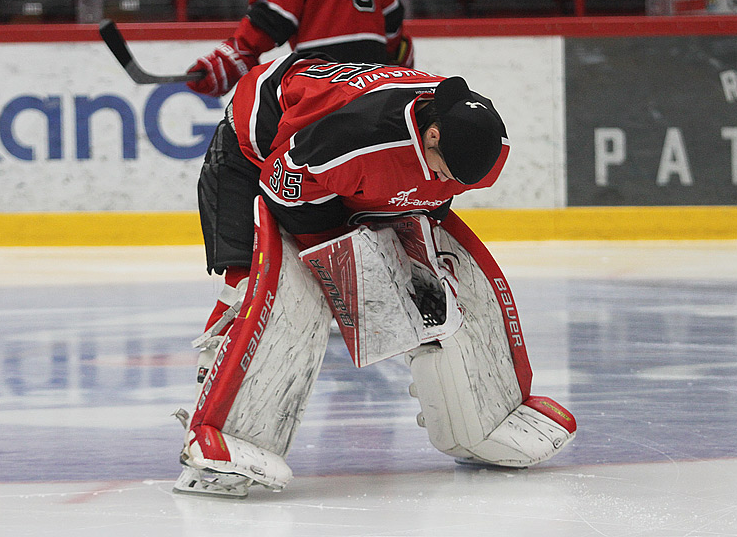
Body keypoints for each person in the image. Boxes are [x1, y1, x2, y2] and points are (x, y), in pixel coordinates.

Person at [173, 53, 577, 498]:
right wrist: (342, 263)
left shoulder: (484, 147)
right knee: (264, 287)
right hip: (258, 153)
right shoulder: (360, 138)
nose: (448, 181)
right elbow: (283, 186)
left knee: (443, 286)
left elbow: (434, 195)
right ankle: (223, 427)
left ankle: (484, 419)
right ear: (432, 134)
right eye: (444, 170)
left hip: (329, 163)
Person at [185, 0, 414, 98]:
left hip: (323, 78)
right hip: (375, 80)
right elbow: (391, 17)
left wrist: (236, 54)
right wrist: (396, 60)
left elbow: (275, 13)